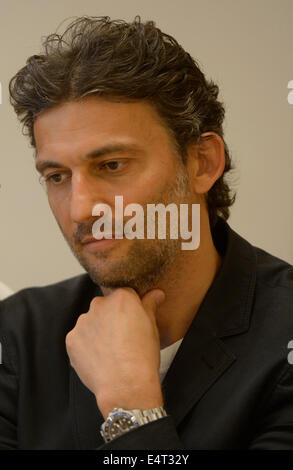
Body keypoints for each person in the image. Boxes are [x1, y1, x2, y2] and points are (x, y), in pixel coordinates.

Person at [1, 15, 292, 450]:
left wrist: (132, 410)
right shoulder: (18, 335)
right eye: (58, 175)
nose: (81, 209)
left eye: (112, 165)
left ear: (202, 163)